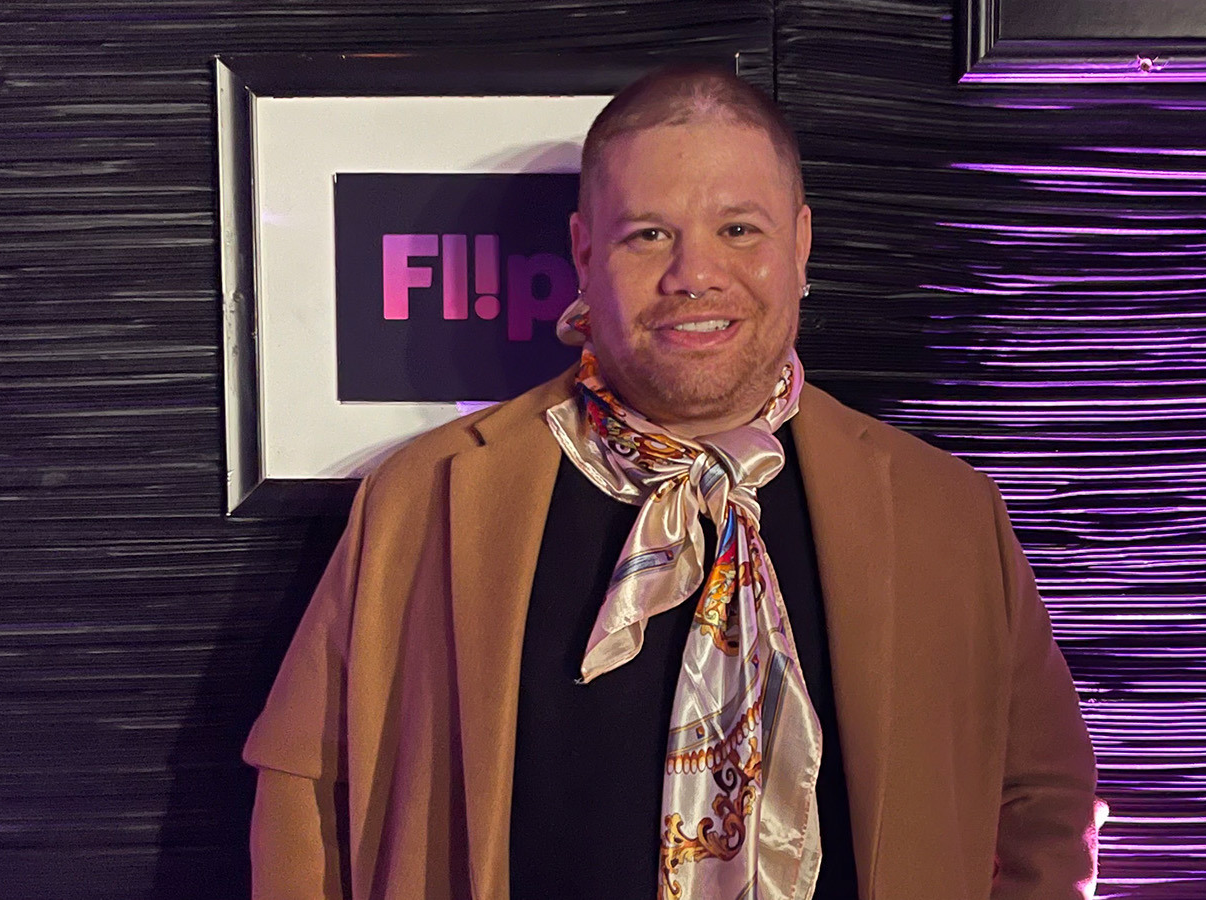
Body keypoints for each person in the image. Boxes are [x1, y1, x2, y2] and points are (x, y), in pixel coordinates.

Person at [243, 64, 1097, 900]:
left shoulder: (946, 513)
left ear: (800, 244)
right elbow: (305, 790)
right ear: (583, 251)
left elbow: (1042, 802)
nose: (694, 273)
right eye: (648, 233)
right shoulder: (424, 500)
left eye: (738, 230)